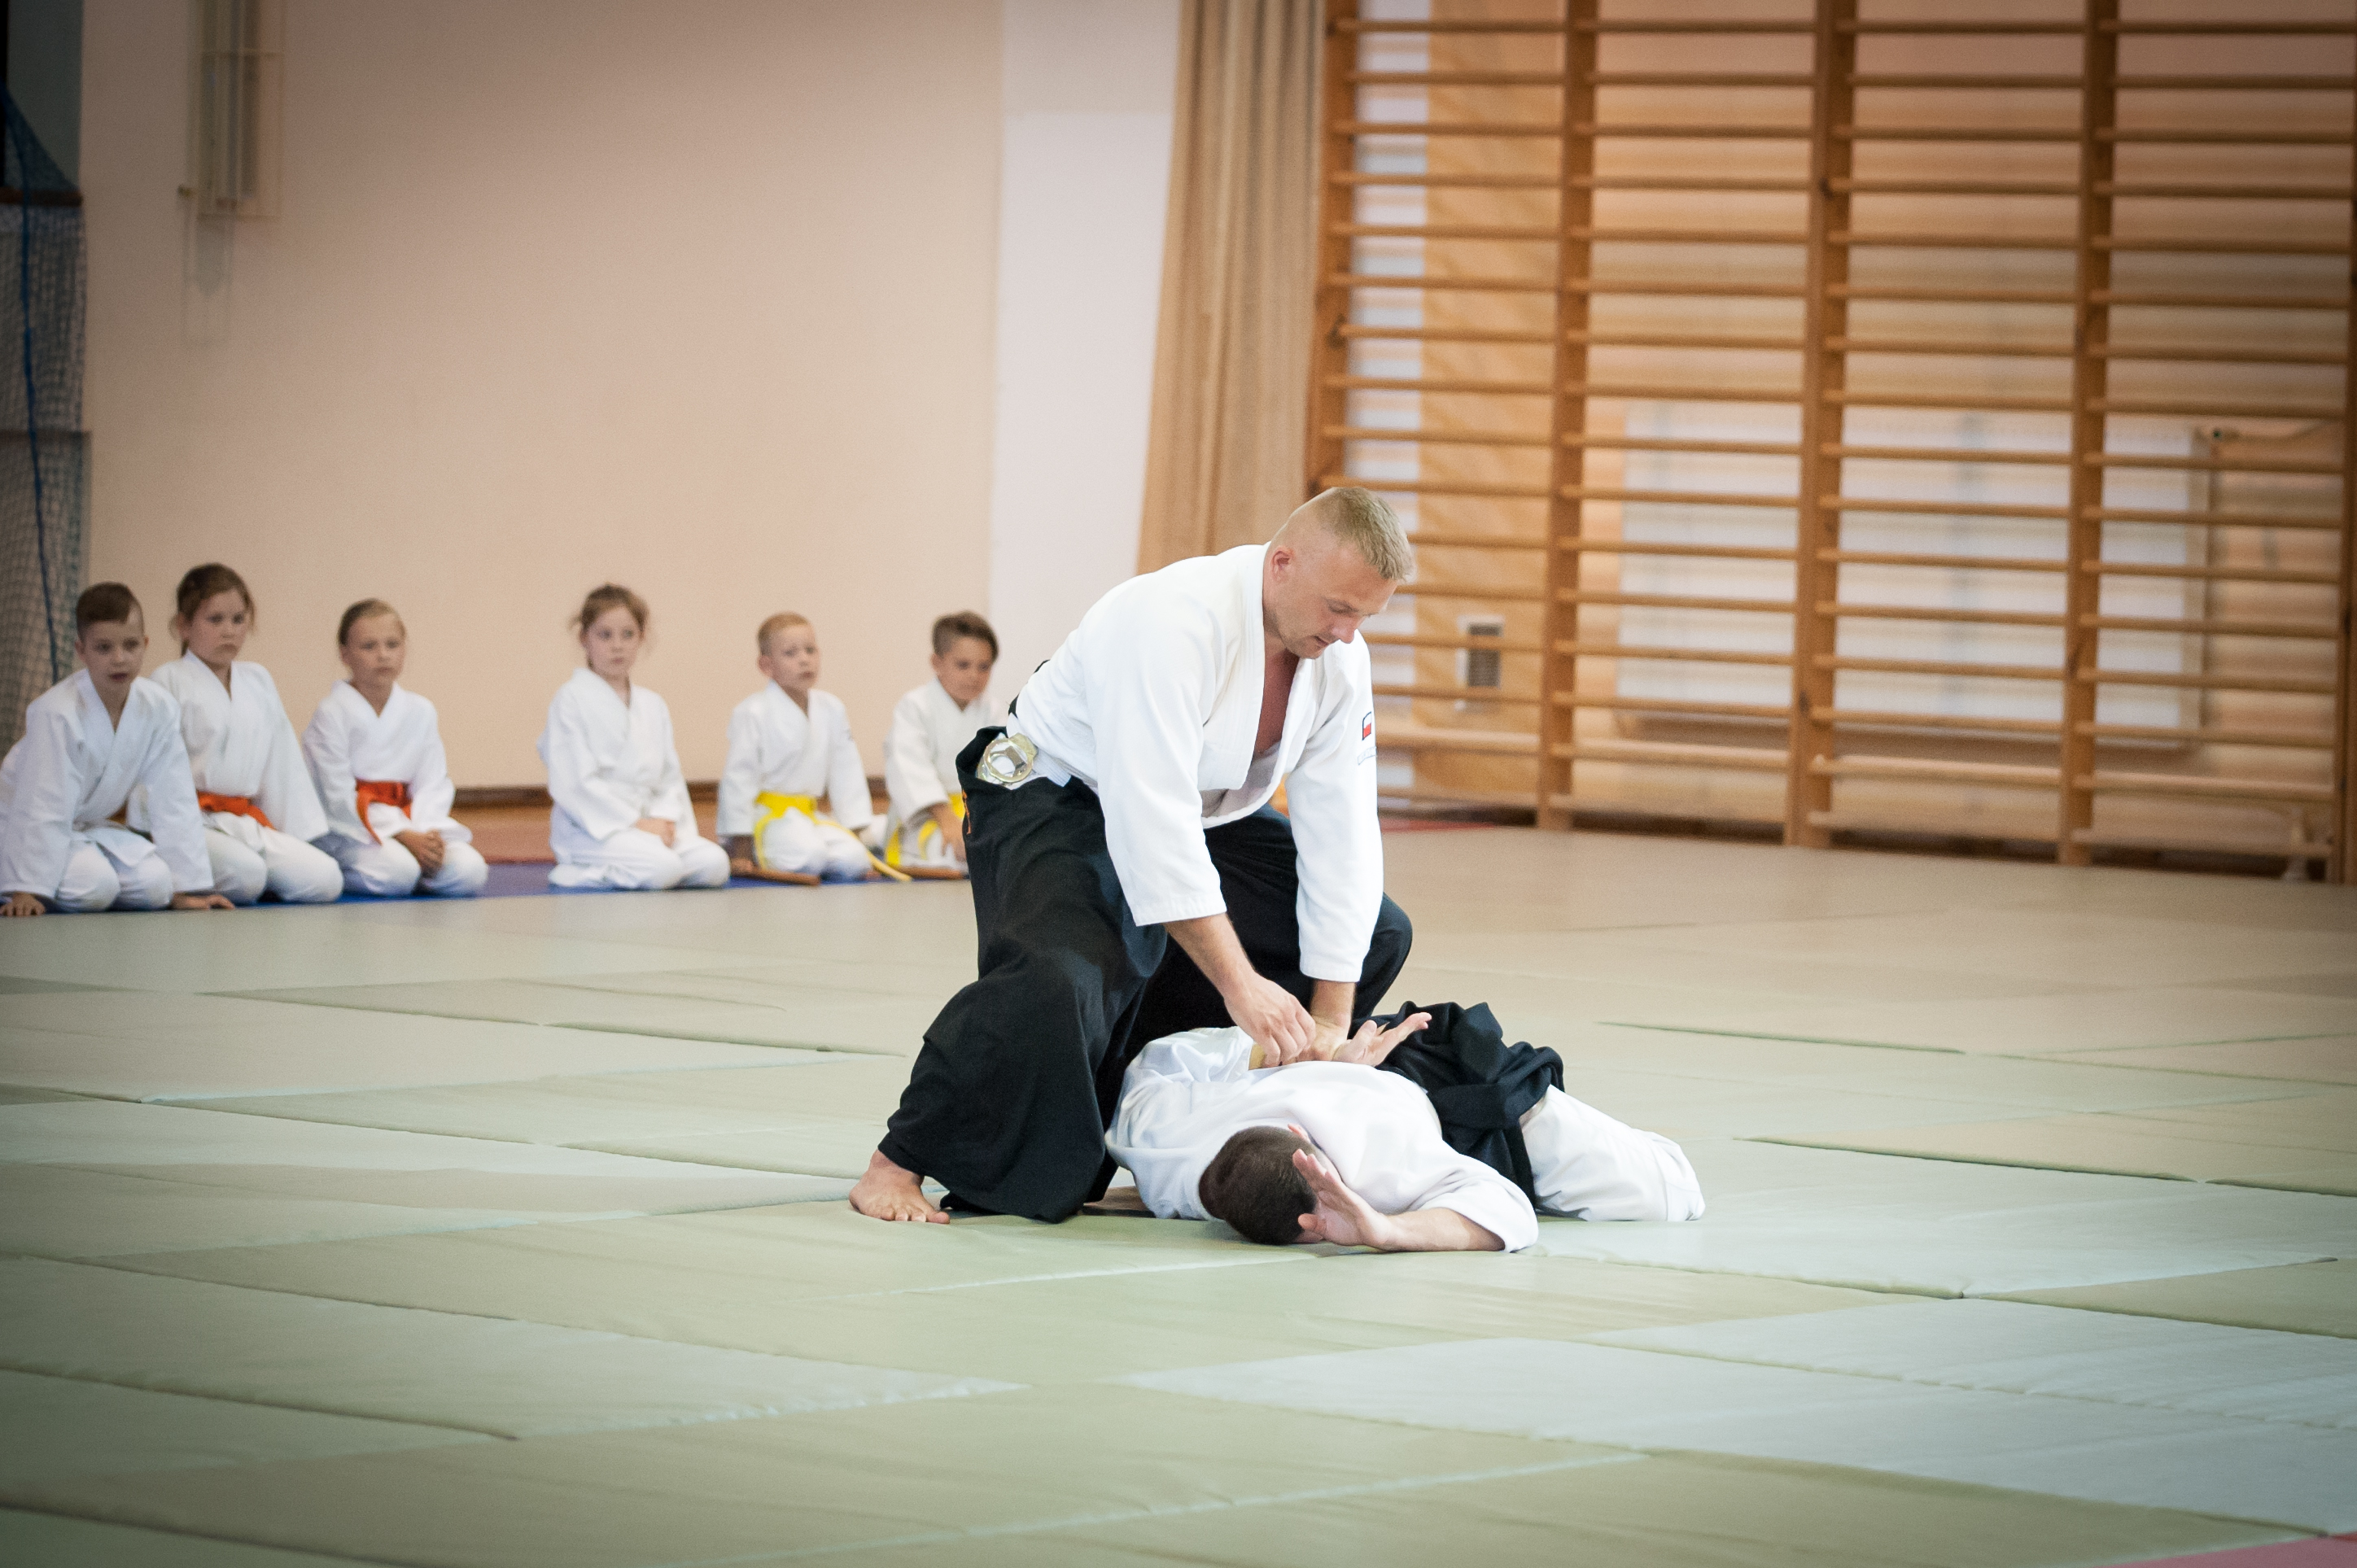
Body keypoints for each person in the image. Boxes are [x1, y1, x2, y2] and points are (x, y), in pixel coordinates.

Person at [852, 487, 1417, 1225]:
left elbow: (1342, 831)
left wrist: (1329, 1024)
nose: (1347, 634)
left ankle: (1142, 1107)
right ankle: (898, 1159)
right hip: (1057, 791)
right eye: (1338, 608)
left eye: (1364, 616)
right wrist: (1240, 984)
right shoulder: (1170, 619)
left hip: (1204, 809)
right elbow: (1151, 823)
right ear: (1281, 564)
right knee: (1060, 977)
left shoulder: (1339, 656)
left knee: (1377, 933)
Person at [1107, 1013, 1705, 1252]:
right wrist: (1388, 1230)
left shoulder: (1380, 1158)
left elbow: (1510, 1213)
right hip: (1424, 1107)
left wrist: (1285, 1056)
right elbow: (1508, 1209)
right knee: (1666, 1195)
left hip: (1420, 1071)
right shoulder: (1162, 1147)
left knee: (1672, 1186)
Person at [1, 584, 230, 916]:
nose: (119, 659)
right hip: (20, 832)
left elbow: (174, 797)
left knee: (156, 886)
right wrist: (26, 888)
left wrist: (185, 887)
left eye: (130, 645)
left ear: (145, 644)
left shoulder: (158, 707)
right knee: (96, 887)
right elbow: (42, 803)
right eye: (104, 648)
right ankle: (26, 880)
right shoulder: (57, 712)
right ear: (81, 650)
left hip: (89, 829)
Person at [145, 564, 343, 906]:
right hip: (191, 824)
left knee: (325, 879)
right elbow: (156, 775)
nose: (229, 631)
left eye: (238, 620)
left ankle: (261, 874)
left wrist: (296, 836)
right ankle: (189, 875)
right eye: (215, 620)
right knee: (246, 876)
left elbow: (281, 765)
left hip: (243, 821)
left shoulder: (257, 680)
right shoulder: (167, 681)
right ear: (183, 626)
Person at [539, 583, 729, 892]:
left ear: (641, 638)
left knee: (715, 863)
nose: (617, 646)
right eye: (605, 635)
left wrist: (664, 820)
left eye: (628, 635)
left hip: (649, 823)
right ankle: (577, 869)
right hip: (594, 829)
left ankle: (644, 862)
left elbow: (669, 776)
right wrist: (635, 823)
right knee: (663, 868)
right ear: (584, 638)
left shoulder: (652, 704)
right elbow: (573, 783)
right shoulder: (570, 699)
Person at [304, 599, 488, 899]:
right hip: (351, 830)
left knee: (471, 870)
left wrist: (426, 836)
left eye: (392, 644)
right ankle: (339, 870)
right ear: (345, 654)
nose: (383, 655)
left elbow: (433, 782)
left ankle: (419, 866)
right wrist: (401, 834)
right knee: (398, 873)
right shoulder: (332, 713)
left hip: (413, 824)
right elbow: (337, 796)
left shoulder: (421, 710)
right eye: (369, 646)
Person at [716, 613, 880, 881]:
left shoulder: (831, 708)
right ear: (766, 665)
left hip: (809, 815)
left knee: (853, 860)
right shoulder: (752, 712)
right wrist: (740, 847)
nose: (804, 660)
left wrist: (855, 832)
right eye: (790, 653)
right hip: (770, 818)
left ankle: (818, 850)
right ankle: (757, 849)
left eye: (810, 650)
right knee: (810, 857)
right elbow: (739, 780)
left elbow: (846, 772)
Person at [881, 610, 999, 873]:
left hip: (977, 814)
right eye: (963, 665)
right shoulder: (915, 707)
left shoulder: (994, 711)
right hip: (929, 817)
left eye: (984, 667)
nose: (974, 676)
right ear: (937, 662)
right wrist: (947, 818)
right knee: (958, 854)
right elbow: (908, 767)